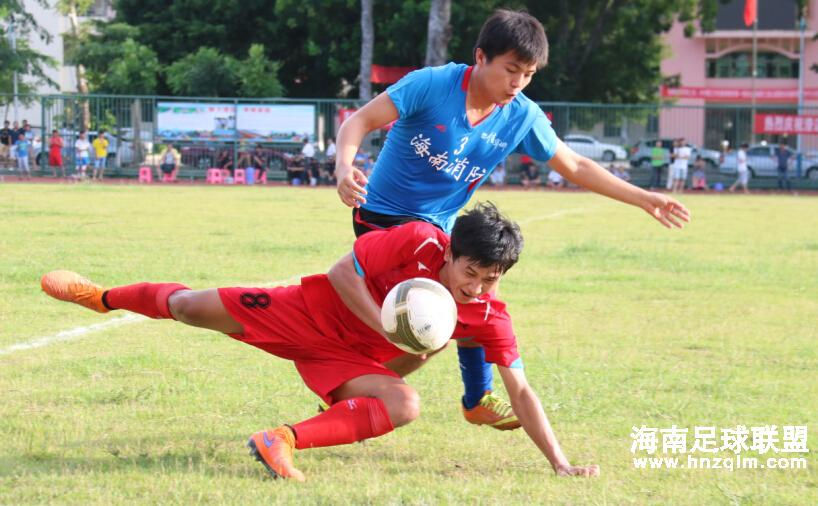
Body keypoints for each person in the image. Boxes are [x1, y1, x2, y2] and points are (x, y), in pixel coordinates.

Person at [40, 202, 600, 481]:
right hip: (305, 311)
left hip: (347, 359)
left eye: (491, 278)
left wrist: (561, 464)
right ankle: (101, 296)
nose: (476, 285)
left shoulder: (488, 314)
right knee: (188, 307)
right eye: (471, 270)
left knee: (404, 403)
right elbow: (340, 273)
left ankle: (281, 439)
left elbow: (520, 390)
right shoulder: (418, 240)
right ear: (451, 251)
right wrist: (386, 323)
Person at [334, 9, 689, 432]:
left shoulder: (521, 115)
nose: (518, 83)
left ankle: (475, 397)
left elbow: (574, 164)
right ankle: (353, 397)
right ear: (480, 57)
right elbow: (358, 122)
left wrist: (642, 197)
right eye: (511, 70)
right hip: (383, 219)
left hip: (439, 229)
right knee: (429, 330)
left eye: (529, 74)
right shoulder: (431, 84)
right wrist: (343, 168)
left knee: (477, 292)